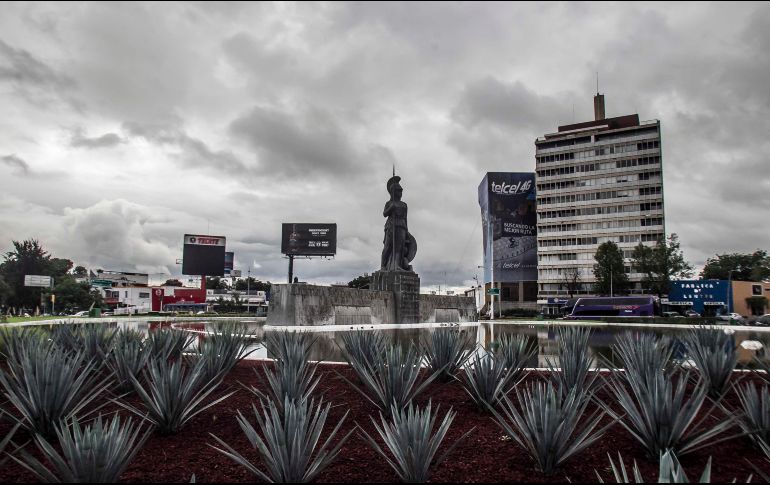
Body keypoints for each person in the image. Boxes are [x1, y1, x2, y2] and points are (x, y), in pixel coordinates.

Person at [381, 174, 416, 271]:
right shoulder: (389, 203)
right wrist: (391, 208)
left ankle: (396, 266)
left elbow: (405, 218)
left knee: (399, 248)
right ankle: (383, 266)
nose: (401, 192)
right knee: (388, 247)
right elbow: (384, 214)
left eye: (401, 191)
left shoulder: (404, 205)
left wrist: (407, 232)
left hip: (401, 226)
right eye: (399, 190)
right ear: (393, 192)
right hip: (391, 225)